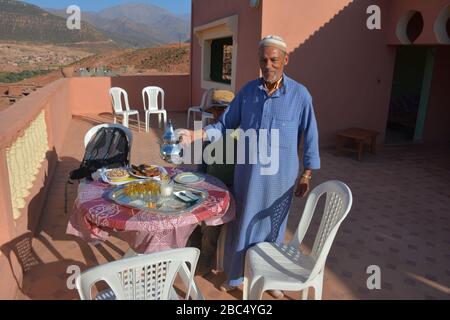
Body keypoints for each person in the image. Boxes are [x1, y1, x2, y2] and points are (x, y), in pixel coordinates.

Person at [179, 35, 320, 298]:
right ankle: (235, 275)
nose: (268, 65)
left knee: (274, 228)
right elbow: (224, 125)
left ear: (285, 60)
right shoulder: (247, 92)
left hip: (281, 179)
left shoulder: (300, 95)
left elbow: (310, 135)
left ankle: (272, 279)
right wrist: (195, 135)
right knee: (242, 225)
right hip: (247, 175)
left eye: (274, 60)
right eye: (263, 60)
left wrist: (307, 174)